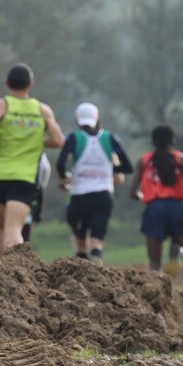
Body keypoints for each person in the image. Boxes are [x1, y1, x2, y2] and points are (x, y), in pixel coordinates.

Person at [0, 63, 63, 256]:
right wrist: (37, 140)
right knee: (14, 229)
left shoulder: (0, 104)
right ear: (30, 85)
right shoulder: (42, 110)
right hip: (24, 178)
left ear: (7, 84)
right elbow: (58, 140)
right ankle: (15, 274)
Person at [57, 102, 134, 262]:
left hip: (79, 196)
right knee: (97, 236)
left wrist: (64, 178)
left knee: (80, 236)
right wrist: (106, 171)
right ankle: (96, 260)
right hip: (103, 195)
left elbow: (60, 163)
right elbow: (128, 167)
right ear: (97, 118)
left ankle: (81, 265)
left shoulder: (73, 138)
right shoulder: (109, 138)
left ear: (77, 119)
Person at [131, 125, 183, 275]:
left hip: (154, 208)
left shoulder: (144, 161)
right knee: (180, 246)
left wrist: (141, 195)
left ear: (153, 141)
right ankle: (176, 253)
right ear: (173, 140)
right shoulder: (181, 159)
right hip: (176, 208)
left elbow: (133, 193)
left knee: (154, 262)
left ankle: (156, 283)